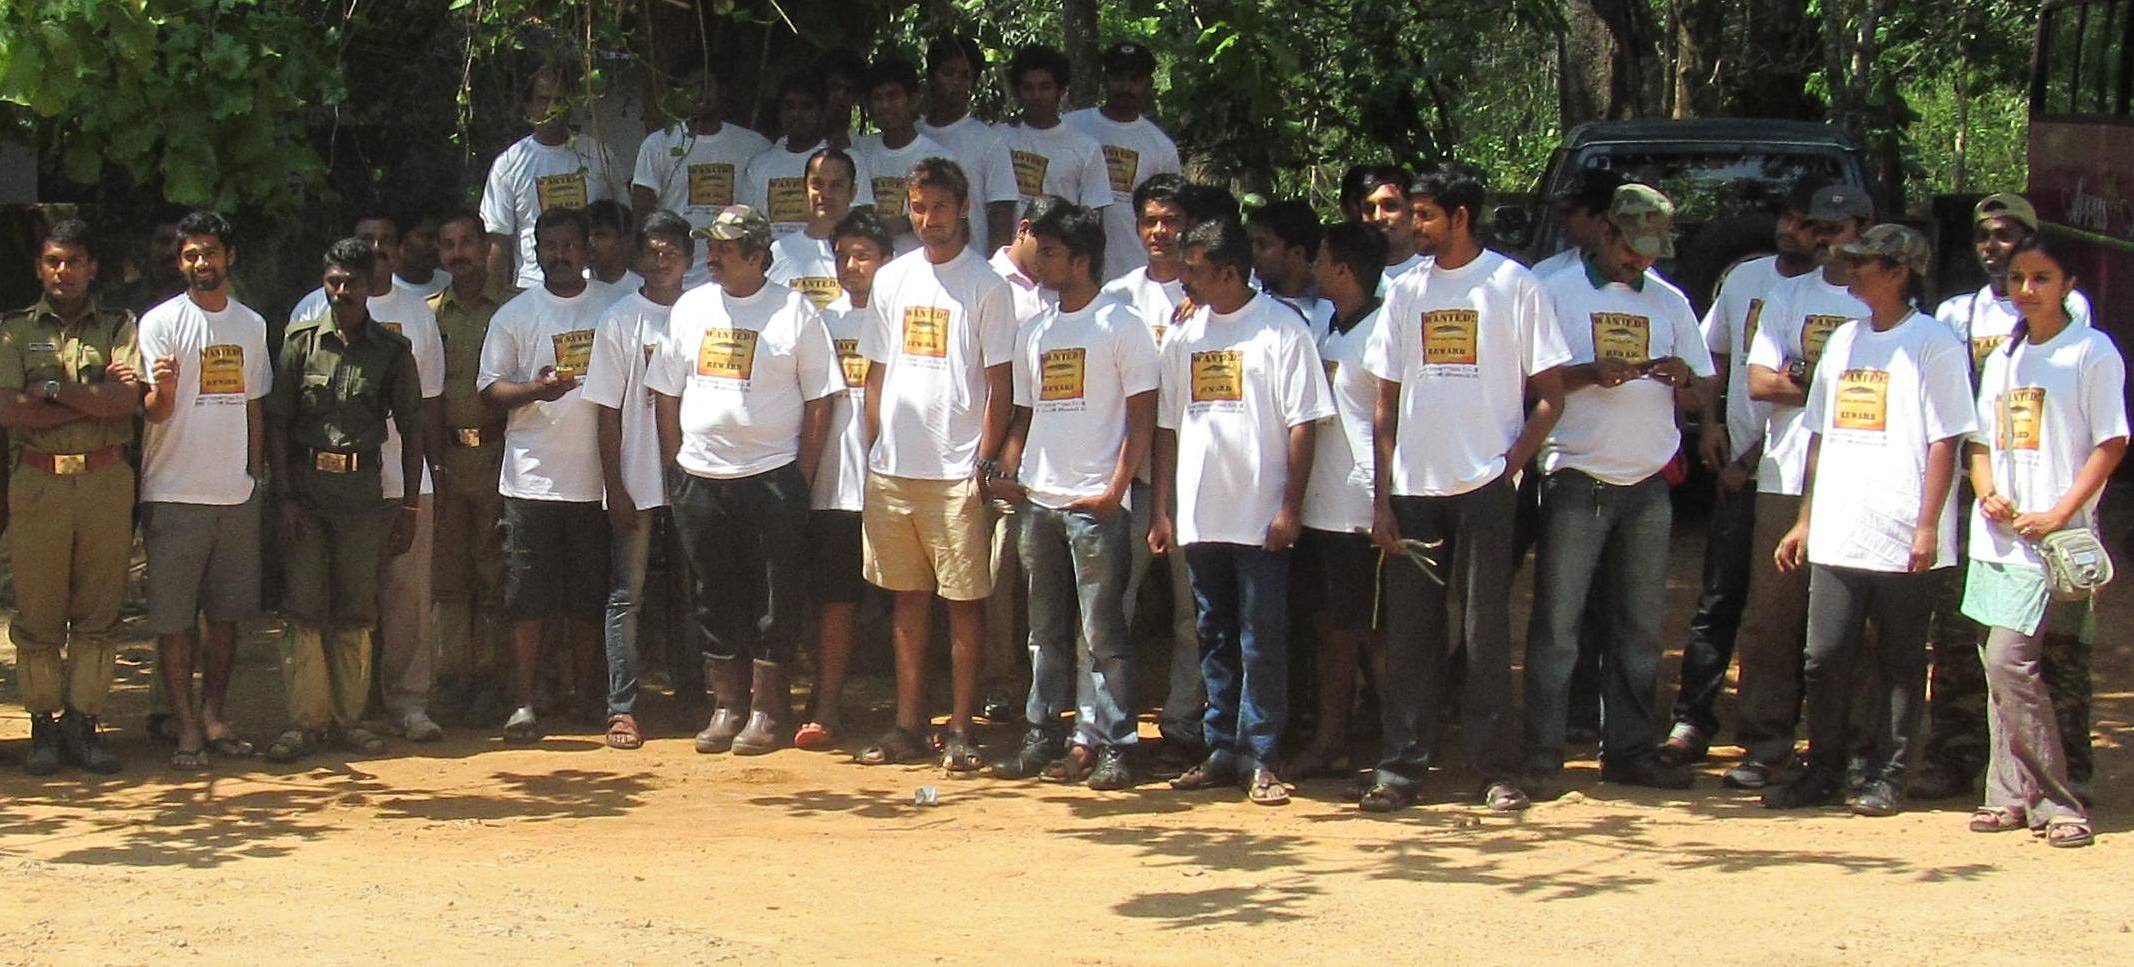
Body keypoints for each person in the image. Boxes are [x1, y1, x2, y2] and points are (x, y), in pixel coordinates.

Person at [1362, 162, 1567, 812]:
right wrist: (1382, 495)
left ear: (1461, 217)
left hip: (1484, 488)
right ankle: (1401, 767)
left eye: (1425, 214)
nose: (1413, 226)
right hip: (1416, 488)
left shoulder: (1514, 285)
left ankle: (1492, 767)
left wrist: (1510, 464)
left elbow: (1551, 397)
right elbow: (1384, 402)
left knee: (1485, 632)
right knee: (1413, 634)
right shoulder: (1405, 291)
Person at [1761, 224, 1974, 817]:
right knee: (1825, 655)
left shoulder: (1934, 344)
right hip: (1839, 526)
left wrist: (1928, 525)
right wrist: (1805, 518)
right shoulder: (1845, 341)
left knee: (1902, 660)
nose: (1850, 272)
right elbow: (1820, 436)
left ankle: (1888, 772)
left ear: (1900, 272)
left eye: (1864, 263)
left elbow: (1945, 439)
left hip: (1904, 529)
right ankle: (1825, 767)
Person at [1523, 185, 1715, 796]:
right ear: (1605, 232)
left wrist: (1683, 380)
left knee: (1640, 626)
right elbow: (1526, 383)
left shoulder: (1671, 301)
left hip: (1646, 481)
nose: (1642, 263)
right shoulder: (1554, 292)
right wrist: (1587, 374)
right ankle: (1543, 753)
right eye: (1633, 249)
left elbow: (1703, 388)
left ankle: (1629, 749)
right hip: (1575, 475)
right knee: (1558, 625)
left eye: (1652, 253)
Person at [1912, 192, 2097, 800]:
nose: (1997, 247)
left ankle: (2068, 761)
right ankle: (1958, 754)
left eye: (2011, 235)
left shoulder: (2071, 312)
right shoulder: (1955, 314)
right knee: (1965, 630)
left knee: (2058, 640)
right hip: (1976, 488)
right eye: (1986, 237)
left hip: (2049, 495)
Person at [1151, 217, 1332, 806]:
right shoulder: (1184, 336)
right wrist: (1164, 510)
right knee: (1212, 634)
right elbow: (1168, 427)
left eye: (1196, 271)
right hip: (1203, 516)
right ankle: (1220, 746)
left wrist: (1289, 507)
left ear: (1229, 272)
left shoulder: (1282, 329)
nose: (1186, 281)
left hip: (1259, 518)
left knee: (1262, 638)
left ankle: (1261, 754)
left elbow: (1304, 424)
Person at [652, 205, 841, 756]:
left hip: (772, 478)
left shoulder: (794, 312)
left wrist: (799, 477)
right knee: (714, 595)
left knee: (774, 597)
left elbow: (821, 400)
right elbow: (666, 389)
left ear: (759, 256)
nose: (713, 256)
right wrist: (675, 467)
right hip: (701, 478)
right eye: (711, 246)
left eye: (726, 249)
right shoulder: (691, 308)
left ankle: (765, 709)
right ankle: (727, 705)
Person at [1959, 234, 2124, 848]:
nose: (2026, 290)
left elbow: (2112, 442)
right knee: (1994, 666)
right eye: (2018, 278)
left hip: (2051, 540)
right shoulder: (2003, 356)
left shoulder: (2090, 352)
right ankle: (2006, 796)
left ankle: (2059, 804)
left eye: (2041, 278)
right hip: (1996, 539)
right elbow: (1980, 442)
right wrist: (1987, 491)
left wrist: (2060, 513)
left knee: (2012, 661)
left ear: (2069, 284)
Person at [851, 158, 1017, 771]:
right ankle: (907, 725)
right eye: (918, 208)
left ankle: (964, 729)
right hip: (894, 469)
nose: (928, 220)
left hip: (956, 472)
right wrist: (875, 446)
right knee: (907, 600)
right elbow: (877, 371)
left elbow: (1000, 385)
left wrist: (982, 460)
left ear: (964, 207)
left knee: (964, 603)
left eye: (940, 207)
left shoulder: (986, 286)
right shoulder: (892, 280)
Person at [985, 202, 1157, 788]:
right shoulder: (1036, 330)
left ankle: (1114, 742)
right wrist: (1002, 471)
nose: (1042, 260)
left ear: (1082, 260)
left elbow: (1142, 418)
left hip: (1094, 506)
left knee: (1102, 635)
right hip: (1040, 500)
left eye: (1053, 252)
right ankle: (1042, 733)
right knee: (1044, 632)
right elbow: (1025, 416)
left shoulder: (1122, 325)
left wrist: (1116, 491)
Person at [1661, 178, 1825, 765]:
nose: (1791, 228)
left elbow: (1814, 398)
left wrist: (1747, 457)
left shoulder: (1839, 296)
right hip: (1738, 463)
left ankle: (1787, 727)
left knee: (1790, 607)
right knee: (1719, 596)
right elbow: (1715, 361)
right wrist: (1709, 426)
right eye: (1786, 216)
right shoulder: (1747, 280)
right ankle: (1693, 720)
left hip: (1802, 469)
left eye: (1805, 221)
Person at [1731, 183, 1874, 789]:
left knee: (1850, 625)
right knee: (1772, 617)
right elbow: (1761, 382)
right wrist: (1843, 388)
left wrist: (1804, 375)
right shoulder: (1783, 296)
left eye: (1837, 228)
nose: (1824, 238)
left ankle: (1845, 749)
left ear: (1864, 231)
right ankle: (1766, 744)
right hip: (1786, 475)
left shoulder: (1880, 304)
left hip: (1867, 479)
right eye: (1817, 226)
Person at [263, 238, 425, 763]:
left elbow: (413, 429)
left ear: (368, 286)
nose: (340, 292)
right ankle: (305, 723)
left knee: (356, 607)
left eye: (350, 282)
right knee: (303, 607)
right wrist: (284, 496)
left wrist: (409, 506)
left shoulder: (391, 352)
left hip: (361, 494)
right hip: (307, 492)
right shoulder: (300, 343)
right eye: (332, 281)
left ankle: (349, 719)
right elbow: (279, 423)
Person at [292, 213, 449, 743]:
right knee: (328, 600)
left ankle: (407, 704)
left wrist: (419, 491)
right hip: (324, 490)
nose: (342, 290)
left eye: (385, 244)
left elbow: (426, 410)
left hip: (401, 481)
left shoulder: (415, 320)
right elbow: (282, 417)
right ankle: (322, 717)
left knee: (405, 599)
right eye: (368, 243)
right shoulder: (306, 321)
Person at [1, 218, 143, 776]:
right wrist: (93, 395)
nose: (64, 271)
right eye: (54, 261)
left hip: (106, 481)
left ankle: (85, 724)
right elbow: (9, 410)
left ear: (92, 267)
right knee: (37, 613)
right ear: (41, 267)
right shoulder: (14, 330)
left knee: (98, 610)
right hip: (38, 482)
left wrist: (54, 391)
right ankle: (43, 726)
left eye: (74, 261)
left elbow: (126, 402)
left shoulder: (118, 325)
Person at [478, 207, 623, 740]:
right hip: (532, 479)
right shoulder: (515, 315)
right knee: (528, 598)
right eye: (549, 246)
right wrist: (537, 390)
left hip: (597, 481)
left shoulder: (615, 307)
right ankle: (524, 702)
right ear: (535, 252)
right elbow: (490, 390)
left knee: (587, 596)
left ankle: (586, 697)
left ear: (587, 250)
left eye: (569, 245)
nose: (559, 255)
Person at [137, 211, 272, 770]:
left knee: (226, 618)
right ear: (180, 262)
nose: (200, 263)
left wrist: (255, 477)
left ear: (229, 257)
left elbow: (255, 404)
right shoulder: (159, 323)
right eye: (190, 254)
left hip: (234, 495)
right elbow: (153, 409)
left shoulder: (252, 325)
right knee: (174, 620)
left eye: (210, 252)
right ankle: (185, 726)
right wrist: (163, 389)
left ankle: (214, 716)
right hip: (173, 491)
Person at [1101, 172, 1207, 767]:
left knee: (1194, 614)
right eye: (1150, 222)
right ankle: (1109, 724)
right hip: (1133, 478)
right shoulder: (1117, 297)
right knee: (1114, 604)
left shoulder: (1213, 296)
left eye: (1171, 221)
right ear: (1136, 228)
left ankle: (1184, 720)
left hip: (1197, 480)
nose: (1160, 232)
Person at [582, 211, 689, 750]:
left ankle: (695, 699)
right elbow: (605, 411)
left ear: (689, 258)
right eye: (653, 251)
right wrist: (615, 488)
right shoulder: (621, 319)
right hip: (638, 480)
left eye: (673, 250)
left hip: (698, 479)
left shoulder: (705, 314)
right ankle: (622, 707)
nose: (663, 259)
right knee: (629, 595)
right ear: (638, 258)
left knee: (694, 592)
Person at [1288, 219, 1387, 778]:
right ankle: (1335, 741)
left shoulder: (1381, 335)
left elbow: (1385, 426)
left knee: (1371, 635)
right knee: (1332, 630)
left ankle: (1393, 748)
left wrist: (1382, 506)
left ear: (1344, 268)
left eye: (1322, 259)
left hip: (1360, 511)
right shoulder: (1332, 328)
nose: (1314, 268)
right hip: (1323, 510)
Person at [794, 210, 893, 750]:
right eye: (843, 255)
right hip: (831, 484)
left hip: (895, 480)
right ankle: (826, 705)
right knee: (833, 598)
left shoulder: (903, 321)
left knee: (908, 597)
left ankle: (912, 712)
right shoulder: (818, 323)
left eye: (863, 255)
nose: (851, 265)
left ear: (886, 262)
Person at [428, 211, 519, 725]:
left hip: (498, 455)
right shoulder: (428, 314)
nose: (457, 253)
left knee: (494, 572)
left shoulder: (513, 310)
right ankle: (450, 680)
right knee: (448, 579)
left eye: (467, 242)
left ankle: (490, 681)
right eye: (448, 244)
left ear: (487, 247)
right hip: (446, 459)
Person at [628, 65, 773, 289]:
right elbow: (642, 213)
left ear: (722, 90)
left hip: (733, 276)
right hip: (673, 277)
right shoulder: (659, 144)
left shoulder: (754, 145)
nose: (697, 94)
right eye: (689, 88)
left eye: (704, 86)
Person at [481, 67, 620, 288]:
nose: (552, 108)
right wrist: (494, 299)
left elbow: (621, 224)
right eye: (543, 99)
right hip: (532, 288)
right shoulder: (509, 165)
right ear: (528, 106)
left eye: (559, 100)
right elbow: (499, 240)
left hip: (595, 287)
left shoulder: (598, 155)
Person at [1065, 41, 1183, 280]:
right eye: (1118, 78)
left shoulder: (1161, 147)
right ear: (1105, 80)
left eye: (1135, 79)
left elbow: (1174, 217)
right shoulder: (1072, 126)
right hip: (1070, 268)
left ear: (1148, 84)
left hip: (1133, 272)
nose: (1126, 87)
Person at [742, 74, 875, 240]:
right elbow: (748, 226)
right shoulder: (760, 165)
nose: (796, 114)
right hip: (775, 263)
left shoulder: (848, 161)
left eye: (806, 107)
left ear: (822, 112)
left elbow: (862, 222)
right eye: (789, 107)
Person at [919, 34, 1020, 251]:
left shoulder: (989, 142)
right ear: (931, 76)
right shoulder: (912, 133)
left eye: (965, 76)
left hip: (970, 268)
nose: (956, 82)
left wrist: (994, 272)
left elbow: (1001, 213)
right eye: (948, 73)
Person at [850, 54, 951, 253]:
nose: (885, 106)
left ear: (914, 100)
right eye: (878, 98)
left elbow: (952, 222)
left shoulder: (938, 160)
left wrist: (903, 223)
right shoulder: (859, 152)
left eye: (893, 96)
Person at [1001, 45, 1111, 216]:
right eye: (1028, 88)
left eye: (1045, 87)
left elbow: (1093, 220)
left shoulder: (1086, 149)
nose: (1036, 95)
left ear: (1061, 90)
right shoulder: (999, 138)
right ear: (1018, 91)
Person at [767, 147, 857, 310]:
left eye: (836, 186)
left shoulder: (865, 257)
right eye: (817, 185)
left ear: (853, 192)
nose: (825, 193)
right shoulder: (778, 252)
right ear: (804, 189)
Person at [1246, 198, 1329, 335]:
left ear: (1297, 253)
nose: (1253, 252)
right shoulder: (1248, 298)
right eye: (1251, 243)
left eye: (1263, 245)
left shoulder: (1332, 303)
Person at [1529, 169, 1627, 280]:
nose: (1560, 219)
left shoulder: (1641, 278)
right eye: (1558, 212)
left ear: (1603, 219)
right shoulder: (1546, 271)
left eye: (1569, 212)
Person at [1344, 165, 1425, 283]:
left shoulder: (1436, 272)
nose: (1378, 217)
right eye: (1369, 208)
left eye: (1390, 206)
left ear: (1413, 210)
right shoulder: (1346, 278)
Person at [586, 199, 644, 291]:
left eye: (600, 235)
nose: (590, 242)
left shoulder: (643, 289)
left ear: (625, 240)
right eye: (586, 235)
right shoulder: (573, 287)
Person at [817, 47, 868, 151]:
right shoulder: (795, 145)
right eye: (834, 87)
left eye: (849, 90)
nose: (841, 96)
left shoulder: (864, 150)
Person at [396, 215, 453, 299]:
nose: (436, 246)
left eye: (438, 237)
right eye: (427, 237)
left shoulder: (452, 284)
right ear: (402, 239)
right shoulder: (381, 291)